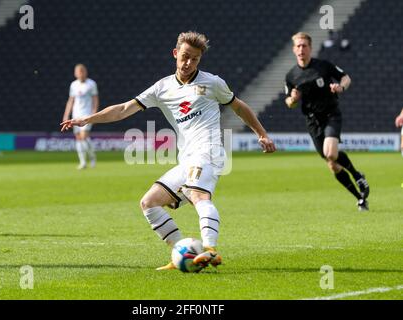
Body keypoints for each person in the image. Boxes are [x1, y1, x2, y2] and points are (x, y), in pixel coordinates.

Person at [61, 31, 276, 270]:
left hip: (209, 152)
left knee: (198, 196)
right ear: (175, 54)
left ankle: (211, 250)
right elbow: (123, 109)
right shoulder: (162, 88)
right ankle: (180, 254)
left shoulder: (213, 83)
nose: (188, 63)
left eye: (194, 59)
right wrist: (86, 119)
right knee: (149, 202)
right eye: (184, 56)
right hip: (187, 159)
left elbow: (238, 106)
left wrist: (262, 133)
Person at [284, 32, 369, 211]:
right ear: (293, 49)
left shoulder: (323, 66)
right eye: (298, 46)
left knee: (330, 153)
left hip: (331, 114)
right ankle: (360, 198)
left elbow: (346, 78)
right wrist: (292, 100)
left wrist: (340, 87)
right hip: (312, 122)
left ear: (310, 48)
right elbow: (289, 102)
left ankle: (357, 175)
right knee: (332, 164)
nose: (301, 49)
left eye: (304, 46)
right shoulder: (291, 76)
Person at [62, 64, 99, 170]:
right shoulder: (73, 85)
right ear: (75, 73)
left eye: (82, 71)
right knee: (78, 138)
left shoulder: (91, 84)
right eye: (79, 71)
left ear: (86, 72)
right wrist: (66, 115)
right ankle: (83, 162)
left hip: (86, 115)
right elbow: (71, 101)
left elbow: (95, 99)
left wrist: (94, 114)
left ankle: (92, 157)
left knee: (84, 137)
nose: (81, 73)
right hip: (75, 114)